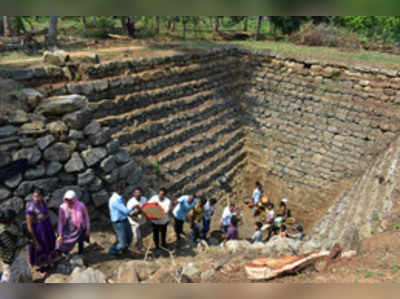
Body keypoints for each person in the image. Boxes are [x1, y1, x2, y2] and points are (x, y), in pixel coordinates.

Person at [26, 187, 59, 276]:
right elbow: (29, 225)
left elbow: (46, 214)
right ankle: (42, 269)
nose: (35, 198)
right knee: (40, 248)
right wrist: (34, 240)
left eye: (37, 196)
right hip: (38, 232)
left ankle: (50, 262)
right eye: (34, 196)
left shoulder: (43, 202)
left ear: (42, 196)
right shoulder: (31, 208)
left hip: (47, 228)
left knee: (49, 243)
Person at [56, 190, 90, 256]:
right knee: (63, 240)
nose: (68, 201)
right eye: (67, 199)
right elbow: (60, 221)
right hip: (67, 228)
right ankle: (66, 253)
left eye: (70, 199)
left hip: (79, 228)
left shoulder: (80, 205)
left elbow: (86, 217)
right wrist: (60, 234)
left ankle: (81, 253)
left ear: (74, 199)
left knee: (80, 240)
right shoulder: (62, 207)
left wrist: (88, 228)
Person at [0, 209, 27, 283]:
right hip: (9, 258)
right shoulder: (2, 233)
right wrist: (26, 242)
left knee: (23, 271)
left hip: (17, 254)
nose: (14, 220)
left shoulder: (11, 224)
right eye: (12, 219)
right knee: (8, 278)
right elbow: (11, 247)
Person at [108, 184, 134, 257]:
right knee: (122, 242)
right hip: (118, 223)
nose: (124, 191)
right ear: (119, 190)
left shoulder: (119, 197)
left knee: (129, 236)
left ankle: (124, 250)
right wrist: (133, 208)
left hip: (124, 220)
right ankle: (112, 251)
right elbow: (125, 211)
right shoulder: (114, 200)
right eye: (123, 190)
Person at [126, 187, 148, 252]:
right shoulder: (130, 202)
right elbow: (129, 214)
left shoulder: (144, 199)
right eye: (136, 193)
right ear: (133, 194)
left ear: (141, 193)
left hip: (142, 219)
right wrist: (136, 215)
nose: (138, 194)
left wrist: (140, 210)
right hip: (134, 221)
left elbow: (147, 208)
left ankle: (140, 246)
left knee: (140, 235)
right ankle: (134, 248)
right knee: (136, 236)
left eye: (139, 192)